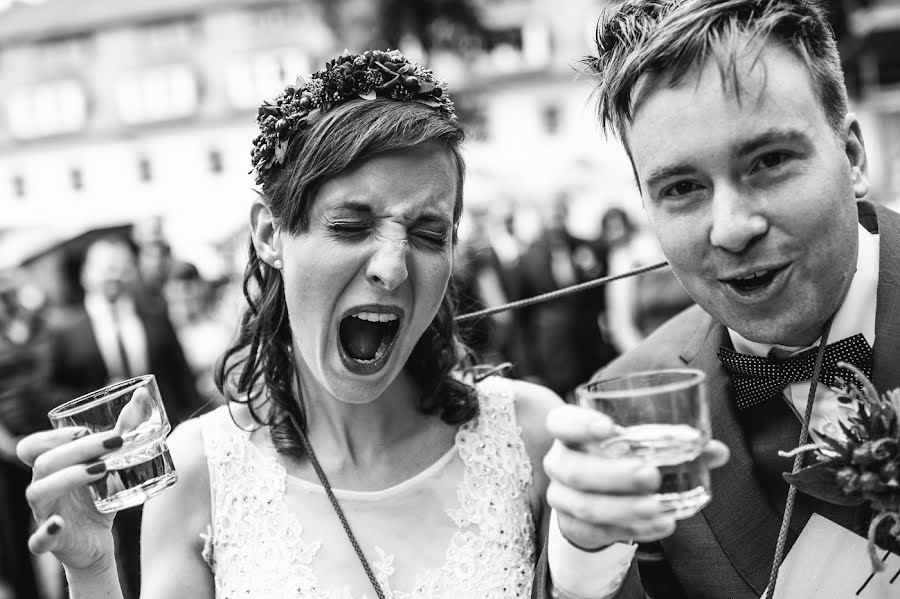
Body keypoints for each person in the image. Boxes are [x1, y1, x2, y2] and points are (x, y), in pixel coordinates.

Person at [16, 49, 581, 598]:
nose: (392, 267)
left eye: (430, 234)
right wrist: (91, 573)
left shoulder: (531, 436)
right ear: (269, 234)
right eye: (351, 225)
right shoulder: (196, 473)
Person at [533, 0, 900, 597]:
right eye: (682, 188)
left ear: (853, 157)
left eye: (770, 161)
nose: (731, 228)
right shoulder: (631, 401)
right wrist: (583, 555)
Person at [45, 235, 206, 598]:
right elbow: (50, 393)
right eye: (105, 267)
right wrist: (98, 406)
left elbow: (181, 384)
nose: (113, 274)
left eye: (120, 265)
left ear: (132, 271)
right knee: (92, 543)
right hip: (96, 461)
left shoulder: (156, 319)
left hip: (151, 456)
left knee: (148, 542)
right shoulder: (64, 329)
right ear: (86, 275)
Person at [602, 207, 693, 354]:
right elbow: (621, 323)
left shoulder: (685, 249)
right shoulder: (625, 257)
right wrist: (644, 361)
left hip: (702, 348)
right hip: (654, 352)